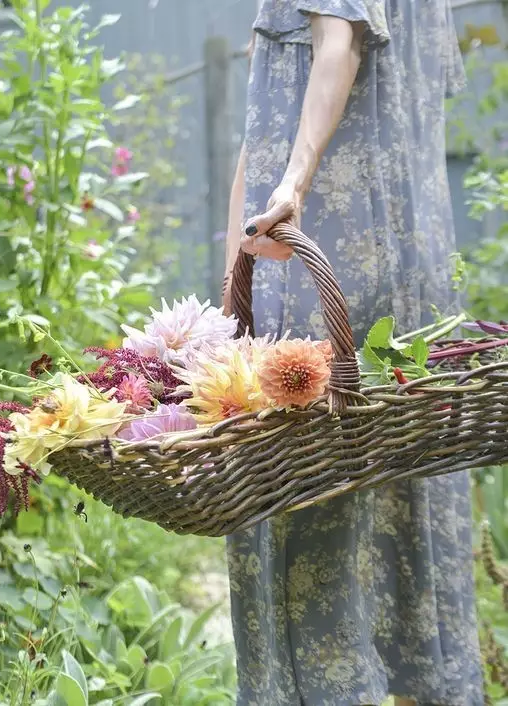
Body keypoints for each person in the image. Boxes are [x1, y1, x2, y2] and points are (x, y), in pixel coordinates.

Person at [222, 1, 484, 705]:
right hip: (398, 248)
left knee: (303, 479)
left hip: (317, 252)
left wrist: (292, 186)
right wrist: (229, 276)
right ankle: (420, 679)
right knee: (396, 463)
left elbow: (337, 44)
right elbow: (263, 115)